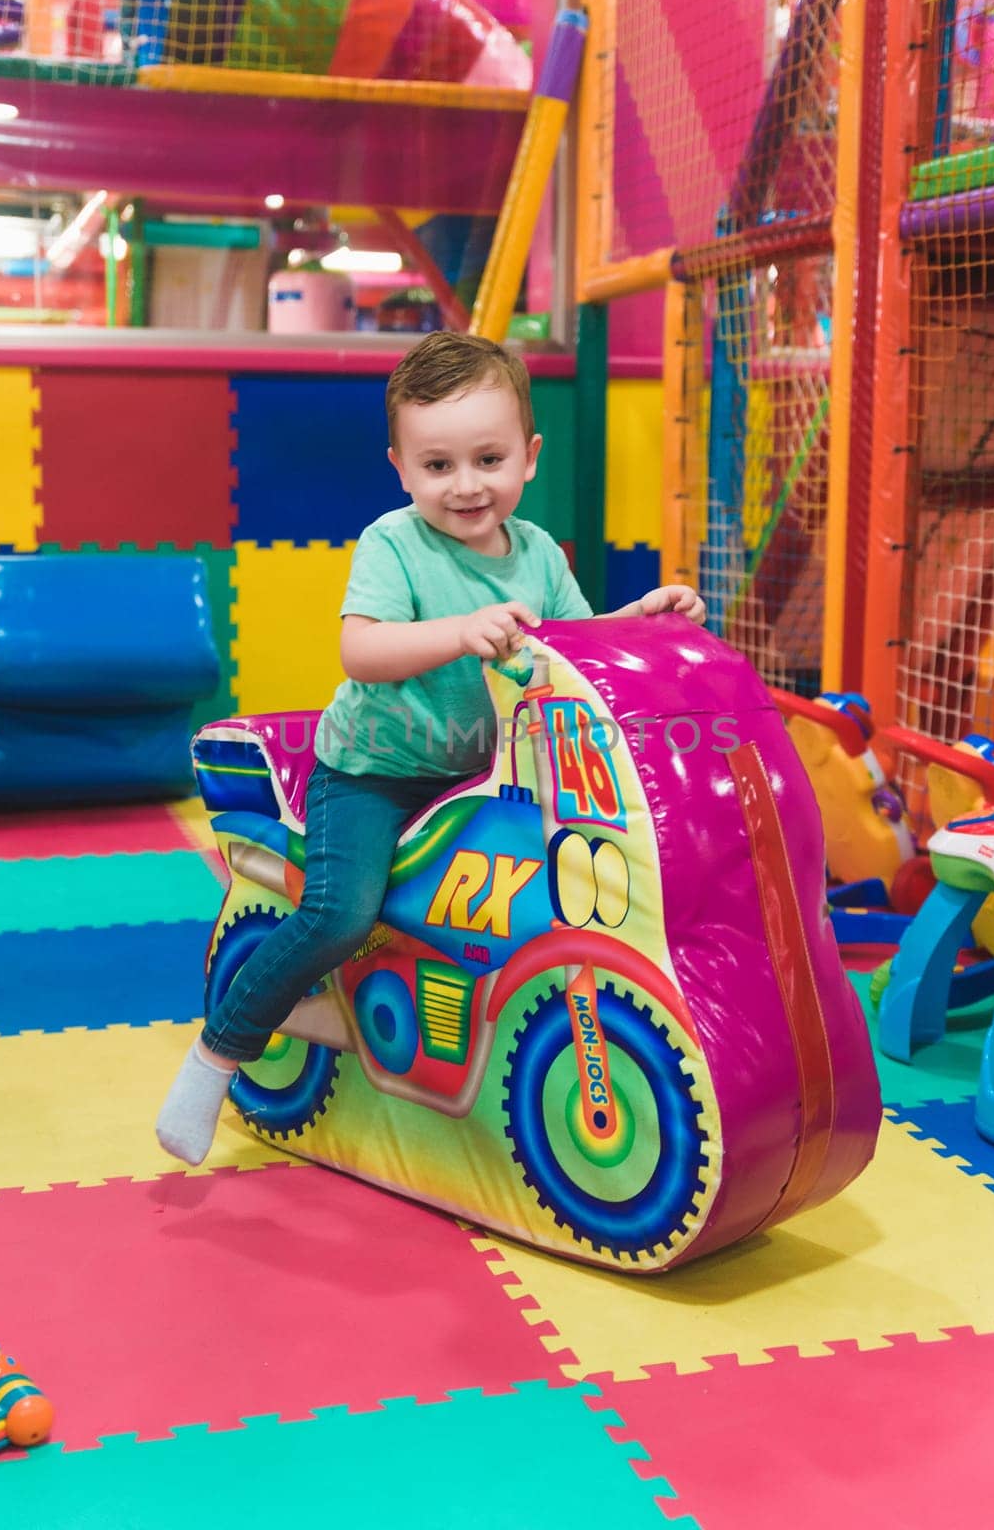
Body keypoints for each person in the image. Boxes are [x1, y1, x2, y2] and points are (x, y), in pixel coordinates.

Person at [156, 331, 706, 1165]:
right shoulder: (395, 545)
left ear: (530, 456)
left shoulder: (538, 556)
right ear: (401, 468)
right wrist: (458, 632)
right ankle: (217, 1053)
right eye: (438, 465)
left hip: (482, 777)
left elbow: (577, 643)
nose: (466, 485)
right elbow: (361, 651)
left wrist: (642, 623)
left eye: (488, 458)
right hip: (373, 776)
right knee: (340, 913)